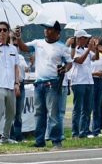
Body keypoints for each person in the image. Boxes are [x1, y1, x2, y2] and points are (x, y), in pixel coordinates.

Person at [15, 21, 70, 149]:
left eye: (49, 29)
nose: (46, 31)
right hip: (39, 83)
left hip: (53, 83)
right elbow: (24, 48)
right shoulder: (37, 43)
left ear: (57, 32)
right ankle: (40, 141)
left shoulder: (62, 47)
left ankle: (56, 141)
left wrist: (65, 69)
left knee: (53, 113)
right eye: (45, 28)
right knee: (39, 113)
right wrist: (18, 38)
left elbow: (69, 63)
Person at [0, 22, 21, 145]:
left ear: (8, 32)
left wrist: (17, 83)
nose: (2, 32)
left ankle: (5, 137)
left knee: (11, 113)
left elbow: (16, 67)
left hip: (11, 85)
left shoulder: (13, 49)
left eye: (4, 30)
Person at [69, 29, 98, 138]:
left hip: (89, 81)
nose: (87, 40)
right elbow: (80, 60)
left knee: (87, 108)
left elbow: (95, 58)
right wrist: (89, 49)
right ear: (79, 39)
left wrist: (95, 48)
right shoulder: (73, 50)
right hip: (78, 82)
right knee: (78, 108)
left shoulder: (87, 50)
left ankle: (84, 131)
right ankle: (75, 132)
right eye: (85, 38)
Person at [11, 46, 30, 142]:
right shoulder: (10, 55)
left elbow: (26, 69)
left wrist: (31, 62)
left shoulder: (21, 57)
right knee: (11, 112)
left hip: (21, 84)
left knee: (18, 112)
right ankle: (11, 136)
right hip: (12, 84)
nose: (16, 47)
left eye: (16, 45)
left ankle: (18, 136)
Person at [90, 37, 102, 135]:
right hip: (90, 81)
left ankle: (96, 129)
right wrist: (95, 73)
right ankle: (87, 128)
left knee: (98, 106)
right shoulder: (88, 55)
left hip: (99, 80)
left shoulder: (101, 56)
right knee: (89, 106)